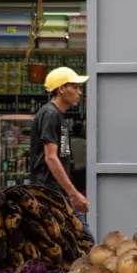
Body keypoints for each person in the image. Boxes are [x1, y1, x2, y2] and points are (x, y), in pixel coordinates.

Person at [30, 67, 94, 243]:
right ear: (62, 88)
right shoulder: (50, 114)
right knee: (85, 240)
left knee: (76, 241)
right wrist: (73, 193)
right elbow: (50, 157)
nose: (79, 93)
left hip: (57, 192)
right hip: (49, 192)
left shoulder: (58, 116)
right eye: (75, 87)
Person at [70, 121, 87, 194]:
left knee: (76, 190)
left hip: (74, 170)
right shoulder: (85, 142)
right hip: (84, 169)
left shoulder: (70, 142)